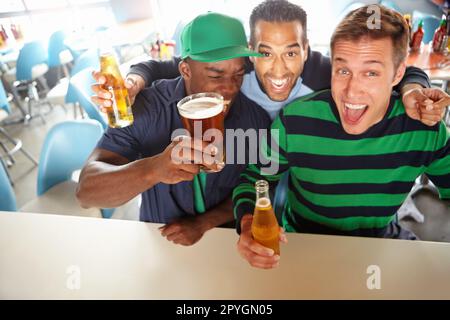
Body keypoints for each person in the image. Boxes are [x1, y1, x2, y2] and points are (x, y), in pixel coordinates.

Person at [232, 4, 450, 269]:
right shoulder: (294, 120)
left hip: (381, 246)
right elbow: (255, 178)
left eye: (371, 73)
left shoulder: (423, 127)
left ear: (398, 74)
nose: (351, 91)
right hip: (302, 245)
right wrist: (246, 222)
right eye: (343, 70)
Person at [76, 12, 271, 246]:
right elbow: (86, 193)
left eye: (238, 75)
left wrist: (204, 223)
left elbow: (257, 185)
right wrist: (155, 168)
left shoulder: (255, 119)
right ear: (185, 70)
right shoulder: (148, 108)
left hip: (226, 241)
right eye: (215, 75)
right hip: (159, 238)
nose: (229, 88)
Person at [92, 0, 447, 126]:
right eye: (265, 53)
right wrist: (132, 82)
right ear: (250, 50)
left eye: (291, 52)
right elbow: (156, 68)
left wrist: (416, 89)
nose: (278, 70)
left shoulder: (324, 72)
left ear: (307, 50)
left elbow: (400, 73)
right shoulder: (235, 70)